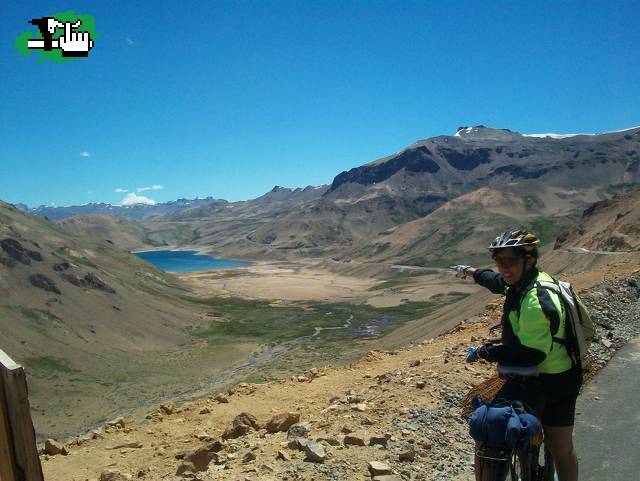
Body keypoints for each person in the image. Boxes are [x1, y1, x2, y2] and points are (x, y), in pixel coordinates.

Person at [452, 228, 582, 481]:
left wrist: (485, 351)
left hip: (553, 380)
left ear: (529, 259)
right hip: (545, 374)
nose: (504, 268)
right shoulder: (524, 281)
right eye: (499, 261)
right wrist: (469, 271)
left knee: (558, 447)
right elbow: (494, 281)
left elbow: (530, 353)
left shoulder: (535, 299)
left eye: (511, 261)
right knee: (554, 446)